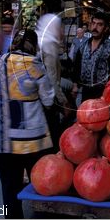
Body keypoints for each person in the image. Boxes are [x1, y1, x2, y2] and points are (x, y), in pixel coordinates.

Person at [0, 29, 55, 219]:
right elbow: (48, 100)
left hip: (1, 140)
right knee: (39, 184)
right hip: (32, 140)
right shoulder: (35, 64)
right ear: (33, 45)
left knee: (9, 187)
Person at [36, 13, 73, 151]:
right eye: (60, 28)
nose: (62, 32)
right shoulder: (49, 44)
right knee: (54, 130)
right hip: (47, 96)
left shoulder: (40, 40)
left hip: (38, 94)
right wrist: (63, 101)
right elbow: (51, 78)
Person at [72, 11, 110, 103]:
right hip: (85, 93)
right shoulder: (83, 47)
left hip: (103, 95)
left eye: (99, 25)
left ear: (106, 28)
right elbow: (76, 67)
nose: (95, 27)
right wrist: (75, 85)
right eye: (93, 23)